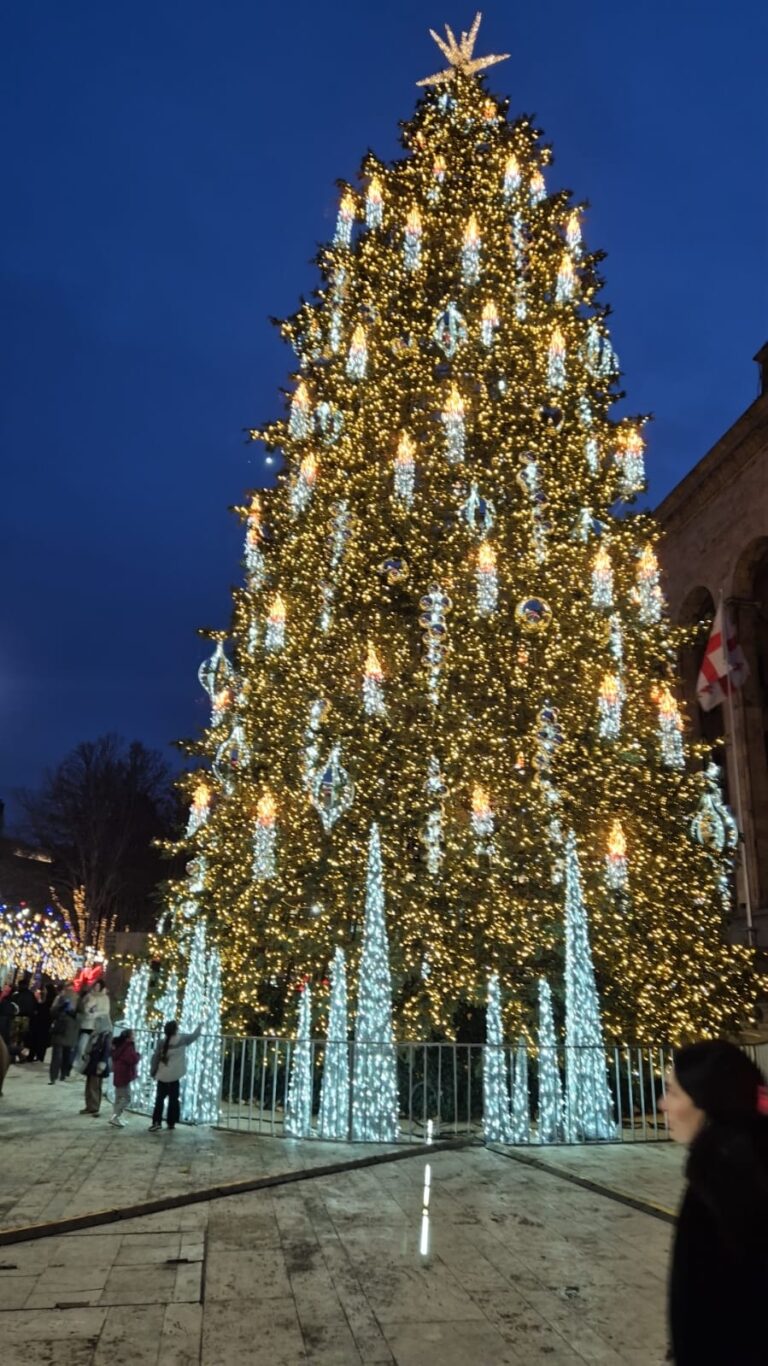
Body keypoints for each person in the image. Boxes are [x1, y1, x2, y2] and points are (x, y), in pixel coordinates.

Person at [660, 1040, 768, 1365]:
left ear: (707, 1103)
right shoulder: (749, 1160)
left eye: (673, 1092)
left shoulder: (718, 1186)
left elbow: (705, 1318)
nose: (662, 1104)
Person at [149, 1019, 202, 1133]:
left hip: (162, 1076)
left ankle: (156, 1122)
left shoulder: (161, 1042)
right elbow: (194, 1035)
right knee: (174, 1099)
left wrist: (153, 1072)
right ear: (176, 1030)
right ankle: (171, 1122)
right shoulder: (182, 1040)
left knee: (159, 1100)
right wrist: (200, 1025)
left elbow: (156, 1058)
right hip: (174, 1076)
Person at [73, 978, 111, 1070]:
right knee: (81, 1044)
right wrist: (87, 1011)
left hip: (100, 1025)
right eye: (95, 985)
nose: (96, 987)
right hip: (87, 1024)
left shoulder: (105, 998)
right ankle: (79, 1061)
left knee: (94, 1046)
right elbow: (83, 1006)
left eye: (98, 986)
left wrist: (96, 1013)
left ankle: (88, 1063)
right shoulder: (89, 996)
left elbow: (106, 1011)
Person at [80, 1011, 112, 1116]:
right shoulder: (96, 1034)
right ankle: (89, 1105)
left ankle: (94, 1107)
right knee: (89, 1085)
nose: (95, 1024)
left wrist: (102, 1063)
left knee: (95, 1086)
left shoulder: (105, 1035)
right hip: (92, 1062)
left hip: (98, 1063)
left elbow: (106, 1051)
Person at [110, 1028, 141, 1127]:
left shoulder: (120, 1045)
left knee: (118, 1097)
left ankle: (115, 1117)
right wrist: (138, 1055)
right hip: (124, 1074)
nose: (135, 1036)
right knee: (127, 1098)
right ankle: (115, 1117)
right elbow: (132, 1059)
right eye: (133, 1034)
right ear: (129, 1037)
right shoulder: (128, 1046)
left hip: (119, 1073)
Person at [48, 986, 79, 1083]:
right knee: (65, 1054)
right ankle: (62, 1074)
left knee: (59, 1055)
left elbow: (52, 1012)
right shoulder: (77, 999)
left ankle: (55, 1076)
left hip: (62, 1029)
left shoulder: (62, 998)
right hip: (67, 1031)